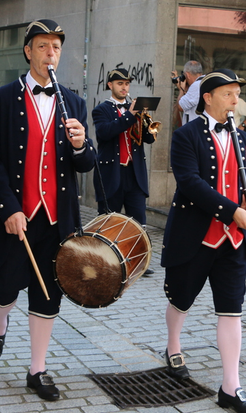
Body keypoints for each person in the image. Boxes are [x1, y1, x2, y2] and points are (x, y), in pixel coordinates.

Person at [0, 19, 96, 401]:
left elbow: (86, 164)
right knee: (3, 286)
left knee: (48, 292)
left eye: (56, 47)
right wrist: (8, 207)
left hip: (57, 218)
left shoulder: (74, 102)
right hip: (12, 216)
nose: (50, 54)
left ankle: (37, 369)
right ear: (28, 51)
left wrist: (80, 146)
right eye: (42, 46)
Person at [161, 69, 246, 413]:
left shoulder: (245, 139)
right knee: (181, 297)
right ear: (207, 97)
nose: (237, 101)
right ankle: (174, 345)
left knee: (231, 309)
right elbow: (189, 182)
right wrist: (232, 210)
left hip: (234, 241)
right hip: (195, 236)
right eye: (229, 94)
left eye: (238, 94)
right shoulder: (185, 135)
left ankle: (231, 387)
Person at [92, 68, 156, 275]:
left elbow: (146, 139)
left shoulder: (134, 109)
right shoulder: (101, 110)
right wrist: (130, 115)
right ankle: (105, 261)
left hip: (134, 173)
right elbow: (105, 132)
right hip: (112, 172)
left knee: (138, 220)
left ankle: (139, 262)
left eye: (127, 84)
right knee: (109, 219)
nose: (124, 87)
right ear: (110, 85)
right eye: (120, 84)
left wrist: (147, 127)